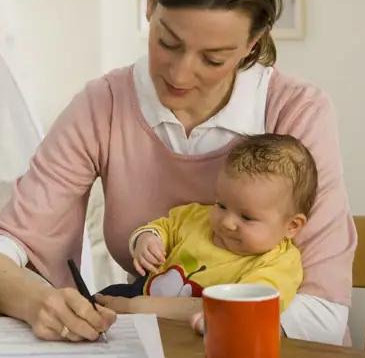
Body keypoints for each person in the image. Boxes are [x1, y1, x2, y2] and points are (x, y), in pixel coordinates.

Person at [0, 0, 356, 345]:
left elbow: (323, 316)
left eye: (213, 59)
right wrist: (36, 300)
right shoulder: (105, 104)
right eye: (168, 43)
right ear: (151, 4)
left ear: (252, 42)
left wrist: (153, 309)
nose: (181, 74)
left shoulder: (296, 112)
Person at [96, 134, 315, 327]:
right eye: (221, 205)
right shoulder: (198, 217)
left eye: (247, 217)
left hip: (197, 320)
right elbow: (165, 226)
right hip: (142, 292)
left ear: (292, 226)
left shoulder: (279, 263)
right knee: (98, 300)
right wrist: (147, 239)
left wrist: (136, 308)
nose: (227, 222)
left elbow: (246, 306)